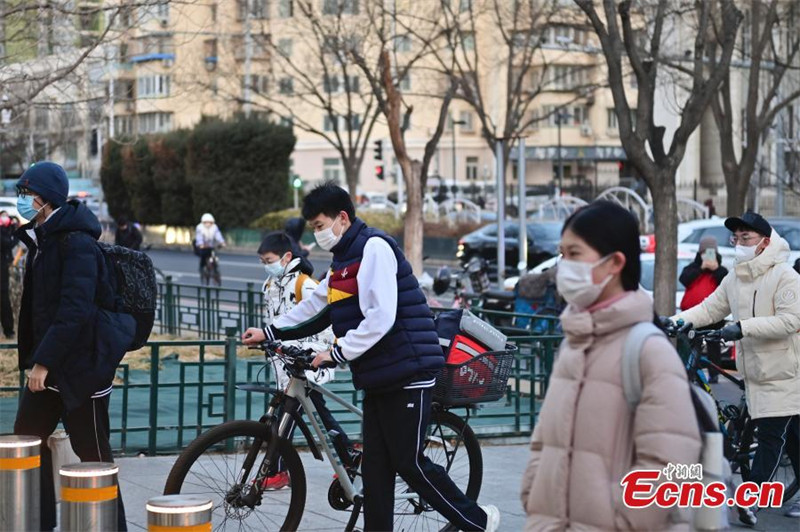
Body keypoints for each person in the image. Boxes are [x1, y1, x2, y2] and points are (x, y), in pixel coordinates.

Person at [243, 182, 500, 531]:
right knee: (376, 470)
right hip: (380, 373)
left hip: (410, 369)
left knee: (409, 463)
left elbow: (381, 317)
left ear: (342, 218)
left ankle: (479, 522)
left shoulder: (374, 247)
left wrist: (335, 353)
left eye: (320, 226)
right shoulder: (343, 259)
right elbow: (318, 306)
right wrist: (269, 332)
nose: (317, 234)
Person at [520, 201, 702, 530]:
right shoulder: (573, 343)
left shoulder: (649, 351)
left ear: (615, 262)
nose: (563, 266)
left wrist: (623, 521)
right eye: (562, 254)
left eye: (574, 254)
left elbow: (670, 464)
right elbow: (545, 439)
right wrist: (533, 496)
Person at [12, 161, 135, 531]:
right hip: (50, 365)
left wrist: (43, 362)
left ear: (45, 199)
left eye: (26, 195)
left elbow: (75, 310)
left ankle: (115, 528)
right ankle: (39, 521)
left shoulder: (77, 243)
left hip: (84, 367)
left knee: (93, 453)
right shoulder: (44, 239)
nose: (22, 202)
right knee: (27, 444)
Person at [671, 211, 800, 524]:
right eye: (736, 238)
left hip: (785, 371)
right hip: (755, 371)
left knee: (771, 437)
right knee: (793, 438)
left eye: (746, 238)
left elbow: (791, 320)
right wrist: (674, 321)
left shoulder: (786, 277)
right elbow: (710, 307)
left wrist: (742, 328)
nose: (739, 243)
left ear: (765, 242)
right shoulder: (736, 276)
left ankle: (750, 500)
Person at [257, 230, 357, 489]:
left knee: (286, 415)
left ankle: (276, 471)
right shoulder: (270, 286)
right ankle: (348, 457)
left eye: (269, 260)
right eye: (263, 261)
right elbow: (275, 322)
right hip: (285, 364)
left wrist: (316, 356)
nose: (266, 266)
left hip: (307, 365)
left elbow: (325, 324)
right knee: (319, 415)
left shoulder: (306, 285)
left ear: (286, 256)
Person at [678, 235, 728, 383]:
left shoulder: (722, 270)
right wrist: (701, 268)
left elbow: (725, 282)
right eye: (704, 252)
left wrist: (716, 269)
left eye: (711, 252)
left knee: (713, 345)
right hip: (694, 314)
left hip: (714, 315)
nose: (708, 255)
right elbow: (684, 279)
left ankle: (714, 374)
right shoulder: (693, 268)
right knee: (691, 343)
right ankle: (689, 371)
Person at [0, 210, 18, 338]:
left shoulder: (6, 229)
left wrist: (12, 228)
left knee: (4, 300)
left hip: (3, 268)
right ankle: (8, 330)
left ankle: (8, 330)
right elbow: (8, 243)